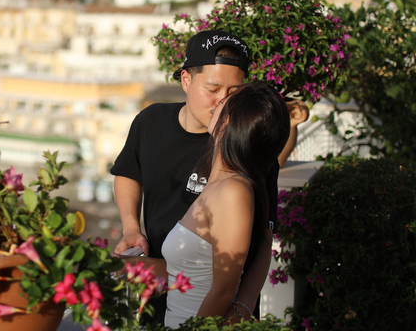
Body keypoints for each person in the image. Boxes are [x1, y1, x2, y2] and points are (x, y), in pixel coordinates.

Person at [110, 29, 302, 324]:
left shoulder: (243, 148)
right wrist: (131, 227)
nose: (221, 102)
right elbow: (128, 171)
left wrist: (241, 309)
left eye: (234, 94)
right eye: (213, 89)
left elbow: (263, 239)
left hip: (222, 310)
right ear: (186, 80)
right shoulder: (151, 122)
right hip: (164, 291)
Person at [162, 81, 289, 327]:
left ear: (229, 120)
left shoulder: (233, 191)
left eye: (224, 101)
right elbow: (197, 272)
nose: (215, 102)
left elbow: (223, 290)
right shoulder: (222, 185)